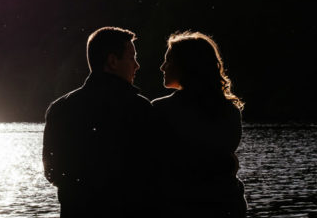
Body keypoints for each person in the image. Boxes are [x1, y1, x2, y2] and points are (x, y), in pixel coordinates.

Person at [42, 26, 153, 218]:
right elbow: (153, 169)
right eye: (131, 57)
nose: (137, 65)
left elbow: (52, 171)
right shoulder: (139, 108)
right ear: (112, 62)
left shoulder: (60, 108)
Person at [152, 31, 247, 218]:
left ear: (186, 66)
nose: (162, 67)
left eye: (169, 61)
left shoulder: (160, 110)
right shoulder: (230, 112)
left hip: (180, 208)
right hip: (228, 206)